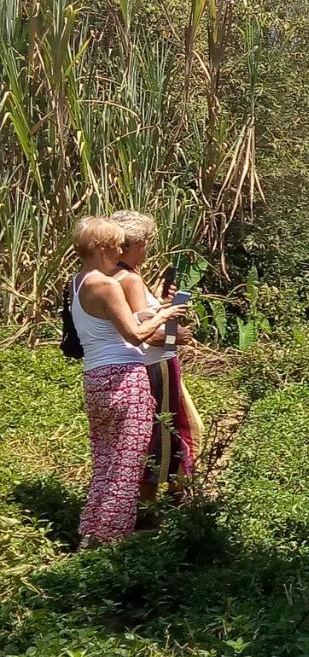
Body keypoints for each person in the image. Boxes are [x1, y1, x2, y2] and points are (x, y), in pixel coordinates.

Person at [69, 216, 188, 548]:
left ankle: (90, 532)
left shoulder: (77, 281)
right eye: (118, 246)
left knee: (105, 460)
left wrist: (157, 309)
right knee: (126, 466)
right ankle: (110, 541)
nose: (122, 251)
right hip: (123, 378)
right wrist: (165, 315)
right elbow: (135, 335)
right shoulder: (105, 285)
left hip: (95, 377)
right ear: (104, 247)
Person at [110, 211, 202, 509]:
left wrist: (166, 306)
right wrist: (180, 333)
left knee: (169, 432)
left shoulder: (114, 277)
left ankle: (170, 499)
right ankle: (166, 504)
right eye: (146, 243)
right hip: (155, 365)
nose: (147, 250)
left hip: (147, 364)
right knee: (174, 433)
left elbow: (144, 320)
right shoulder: (130, 280)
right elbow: (150, 335)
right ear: (135, 243)